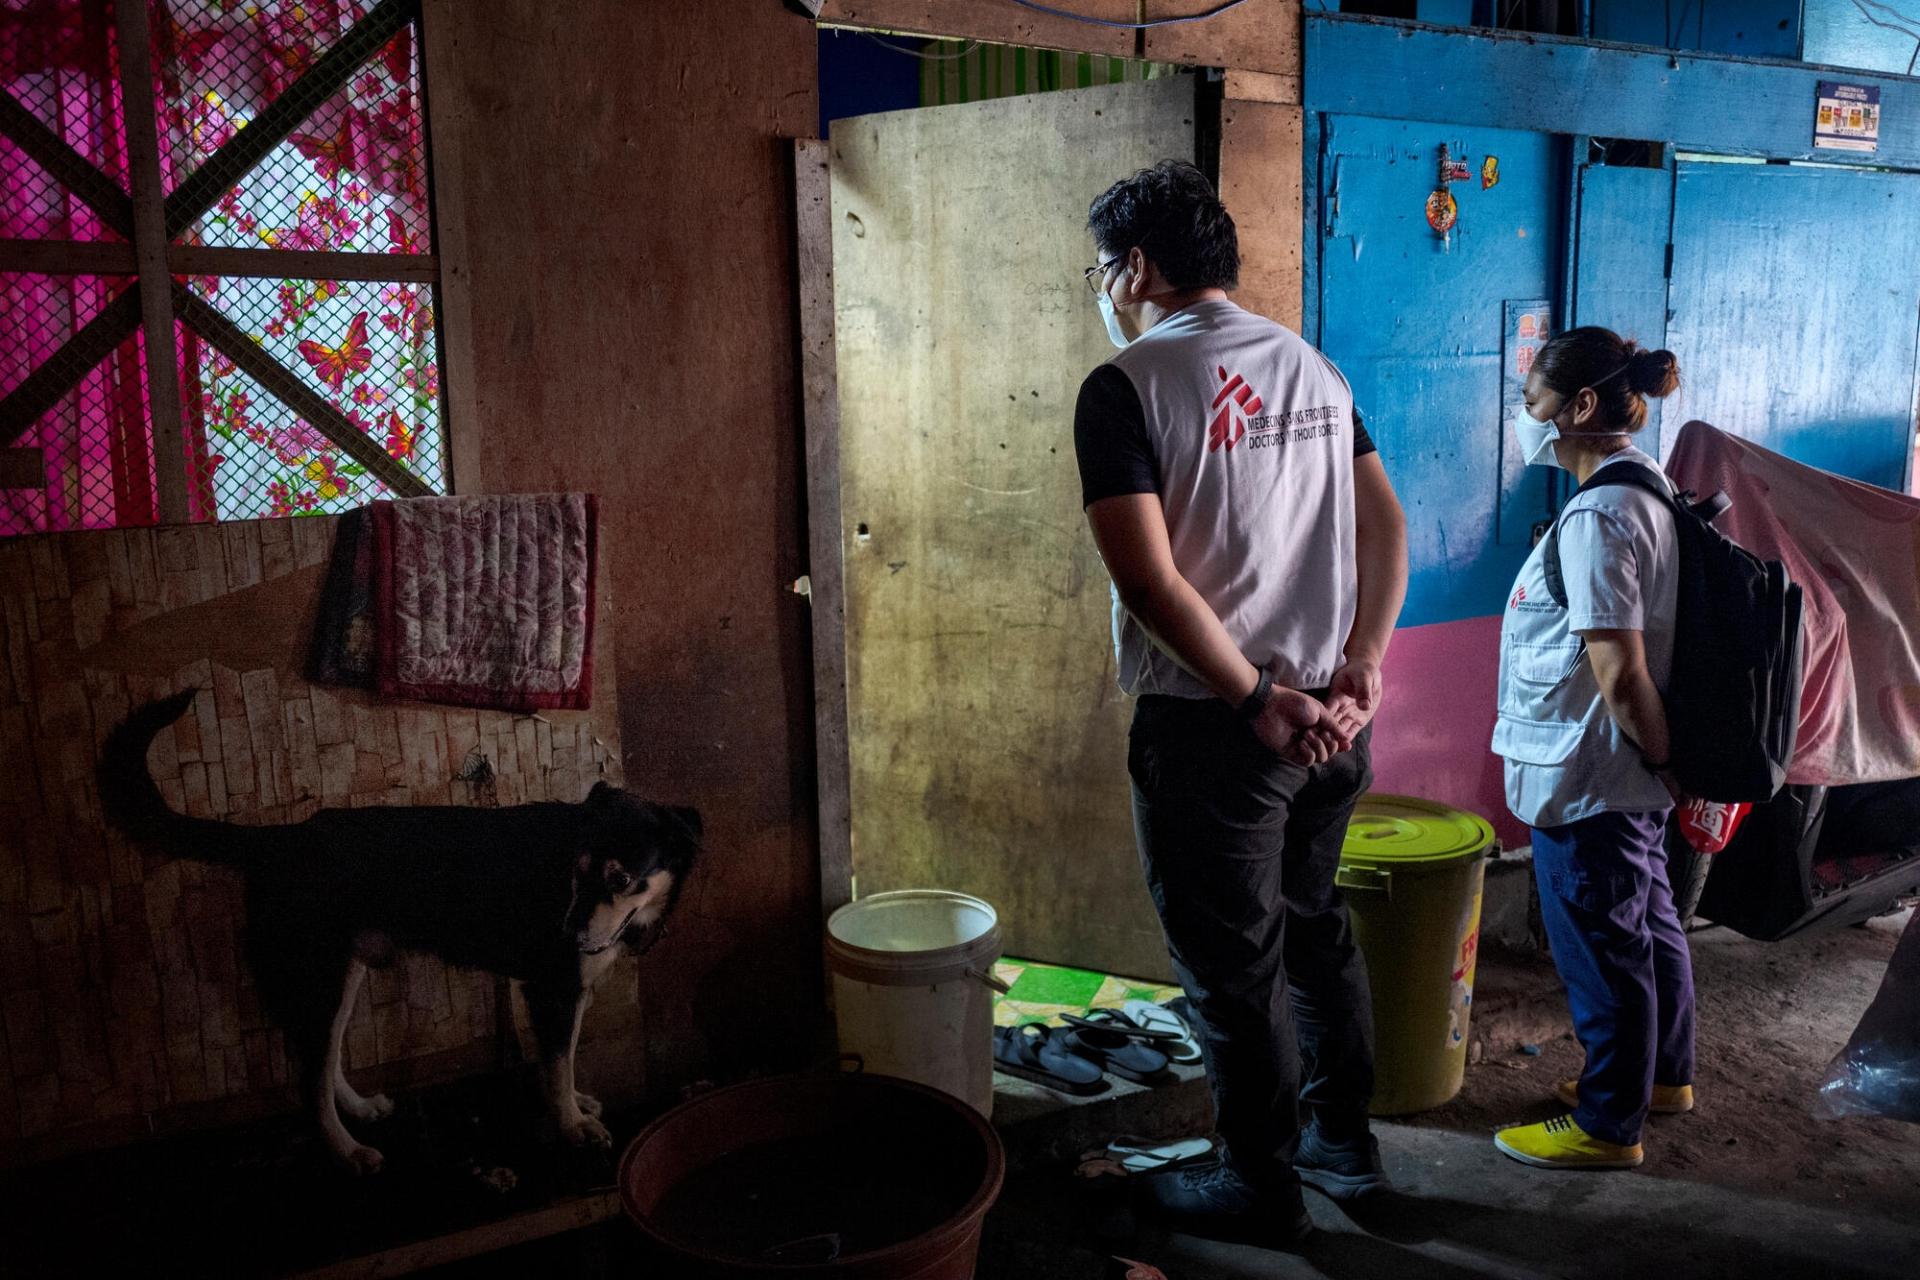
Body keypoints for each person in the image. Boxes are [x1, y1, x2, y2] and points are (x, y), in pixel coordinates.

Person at [1072, 160, 1409, 1244]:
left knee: (1232, 968)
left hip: (1223, 728)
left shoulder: (1126, 384)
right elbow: (1387, 524)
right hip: (1332, 719)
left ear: (1136, 267)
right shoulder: (1312, 364)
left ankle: (1258, 1184)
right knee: (1316, 935)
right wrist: (1365, 661)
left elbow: (1150, 581)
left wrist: (1257, 696)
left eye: (1106, 268)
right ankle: (1343, 1148)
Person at [1489, 326, 1696, 1171]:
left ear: (1578, 408)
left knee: (1606, 949)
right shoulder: (1645, 485)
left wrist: (1660, 759)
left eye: (1532, 399)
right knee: (1648, 925)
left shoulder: (1600, 515)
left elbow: (1619, 670)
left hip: (1591, 774)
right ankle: (1661, 1079)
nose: (1524, 414)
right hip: (1618, 772)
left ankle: (1611, 1124)